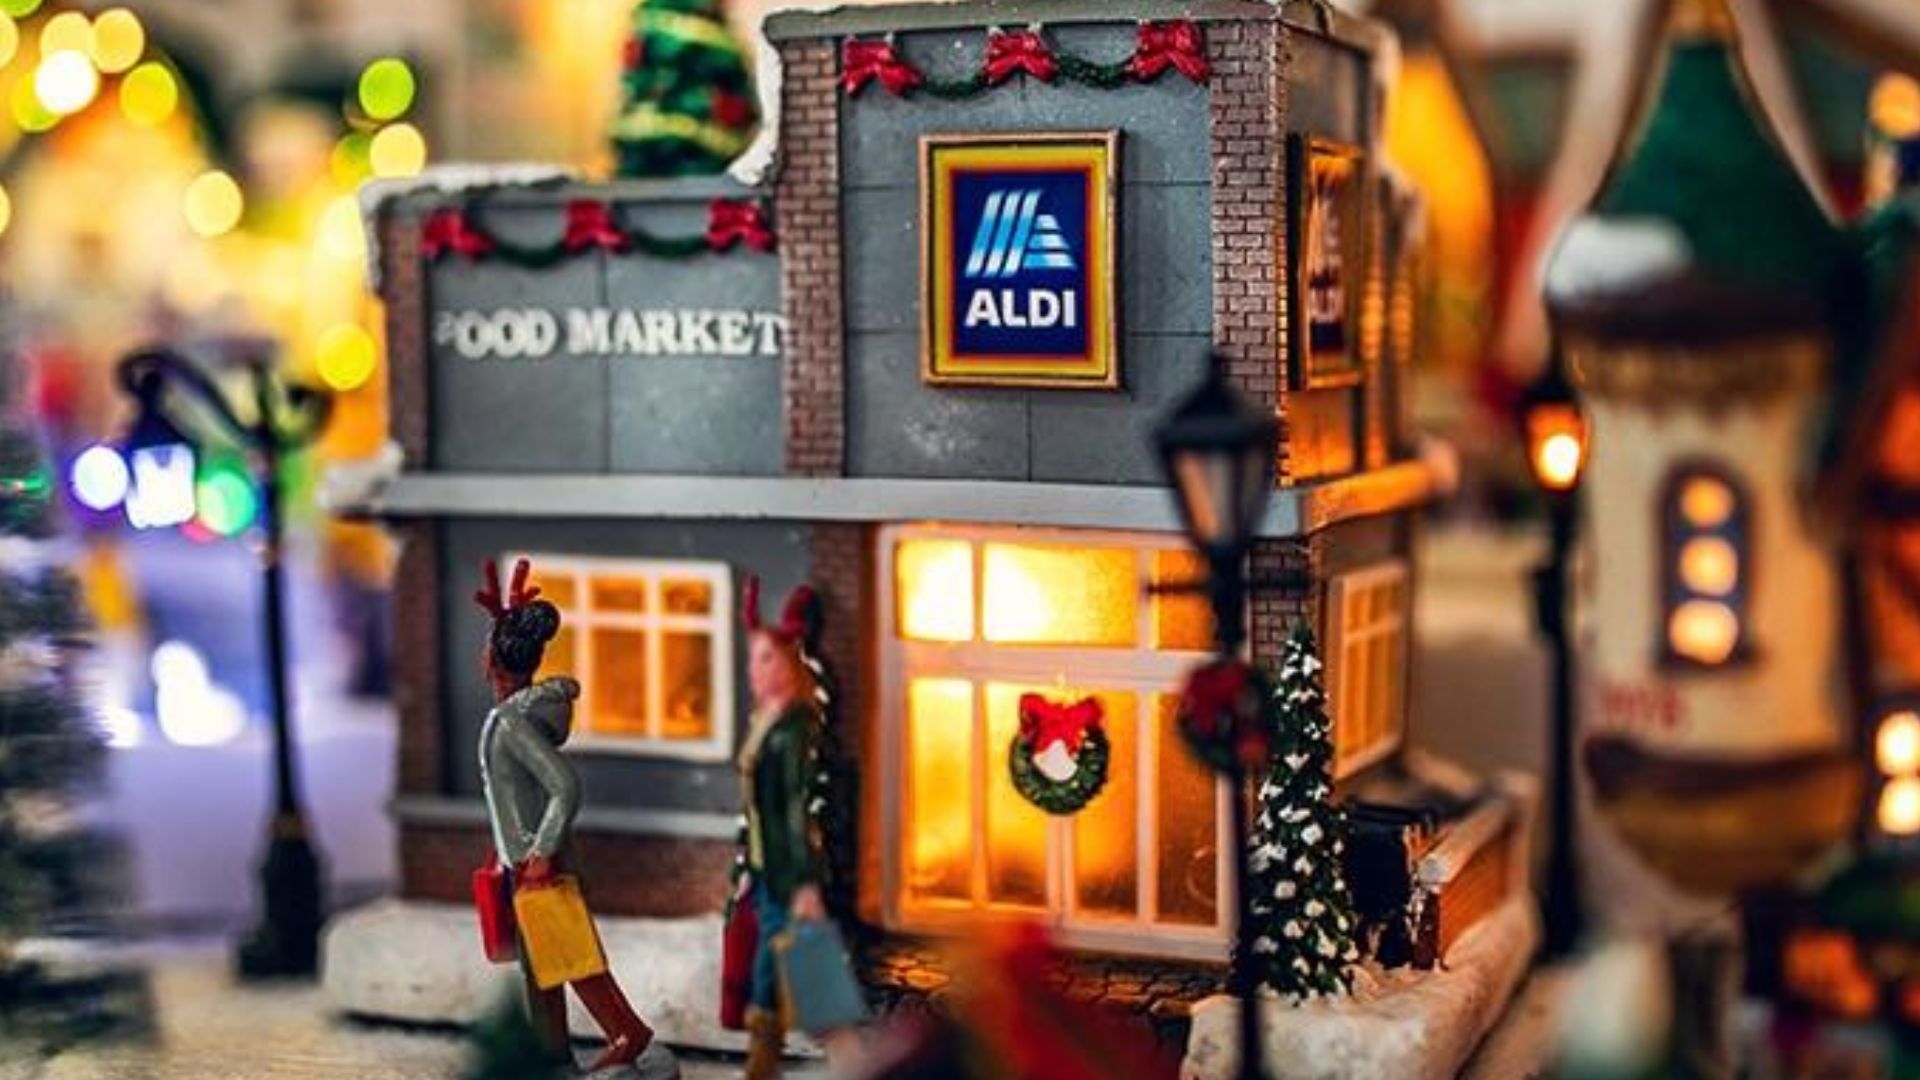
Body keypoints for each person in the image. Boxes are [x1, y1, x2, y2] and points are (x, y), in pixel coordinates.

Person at [475, 558, 654, 1072]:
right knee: (543, 967)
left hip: (539, 864)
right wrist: (508, 844)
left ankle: (627, 1031)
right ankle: (552, 1052)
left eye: (488, 644)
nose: (482, 652)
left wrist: (538, 851)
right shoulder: (512, 716)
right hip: (524, 859)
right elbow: (513, 792)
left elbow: (563, 785)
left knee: (568, 957)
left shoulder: (512, 723)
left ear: (496, 660)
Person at [735, 577, 855, 1079]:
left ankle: (847, 1062)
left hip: (789, 873)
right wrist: (749, 863)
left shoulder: (793, 729)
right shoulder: (769, 720)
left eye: (766, 659)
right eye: (753, 658)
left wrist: (805, 883)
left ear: (788, 662)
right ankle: (766, 1064)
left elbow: (790, 809)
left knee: (805, 968)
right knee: (776, 967)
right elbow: (759, 807)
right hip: (768, 871)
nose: (755, 670)